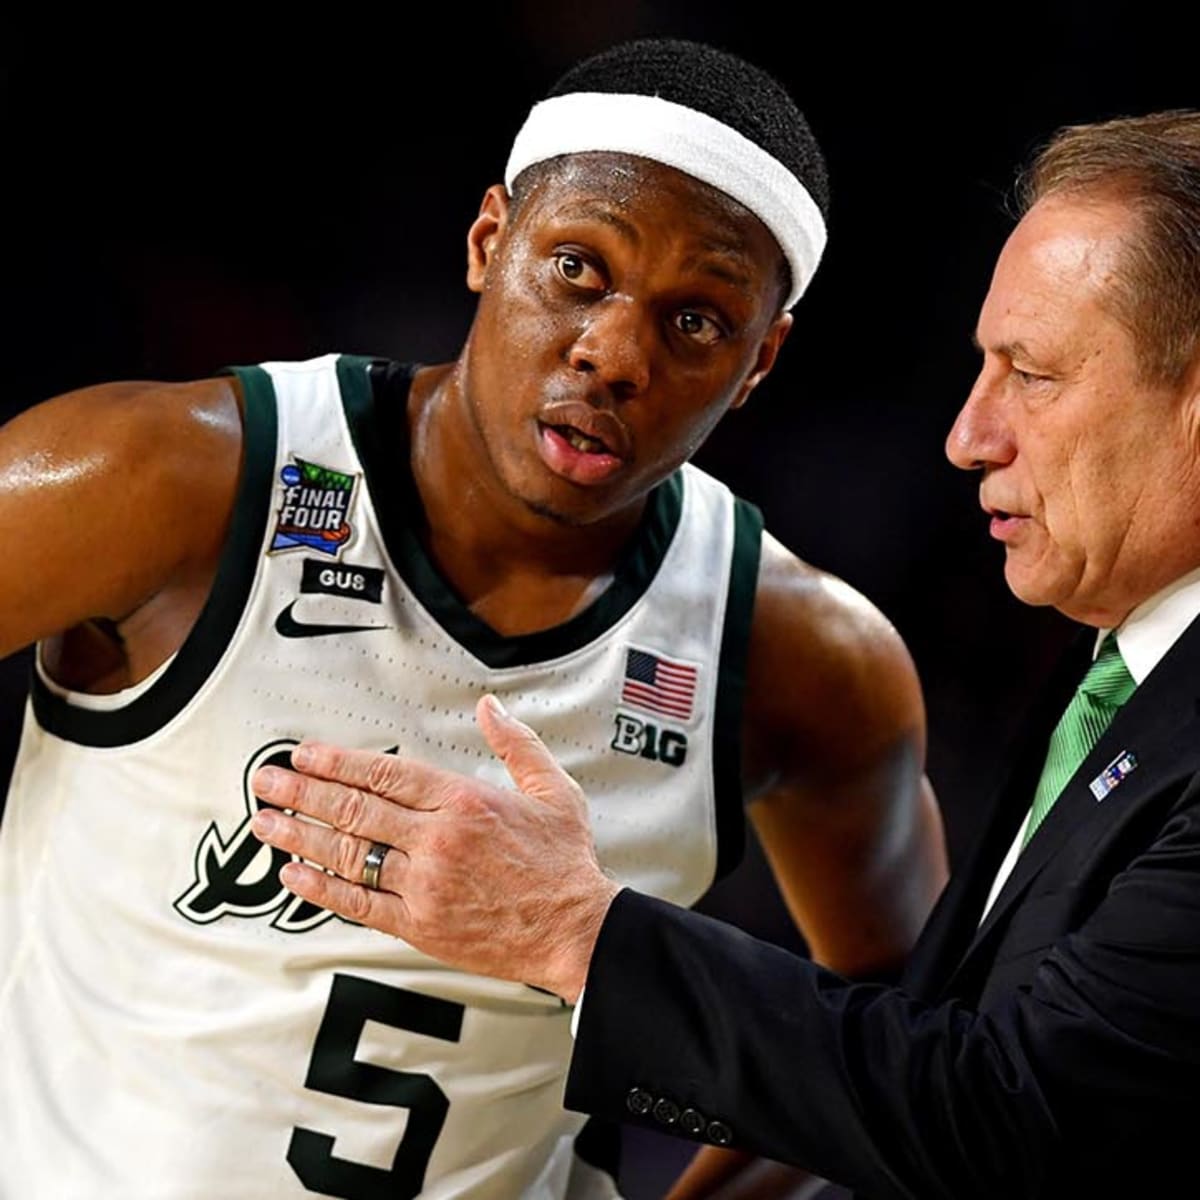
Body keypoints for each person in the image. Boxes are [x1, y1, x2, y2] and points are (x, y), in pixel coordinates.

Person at [0, 39, 947, 1199]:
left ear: (762, 361)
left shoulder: (805, 658)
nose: (615, 353)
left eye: (698, 322)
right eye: (578, 269)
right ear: (490, 242)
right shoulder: (162, 480)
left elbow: (890, 1037)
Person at [250, 110, 1200, 1199]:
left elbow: (1010, 1119)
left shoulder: (814, 646)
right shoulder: (1121, 670)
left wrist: (576, 933)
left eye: (1030, 374)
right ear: (486, 243)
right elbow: (929, 1051)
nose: (968, 436)